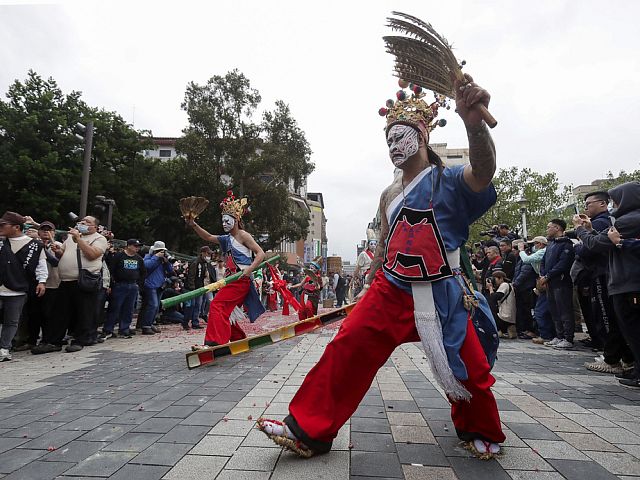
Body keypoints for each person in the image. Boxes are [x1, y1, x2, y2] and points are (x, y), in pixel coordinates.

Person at [258, 74, 505, 457]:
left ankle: (480, 428)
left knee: (468, 367)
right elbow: (385, 244)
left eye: (401, 136)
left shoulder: (449, 180)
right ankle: (307, 430)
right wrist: (369, 281)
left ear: (422, 136)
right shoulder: (389, 193)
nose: (394, 145)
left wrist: (473, 126)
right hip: (391, 288)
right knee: (347, 346)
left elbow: (484, 174)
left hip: (443, 289)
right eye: (388, 139)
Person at [574, 181, 640, 388]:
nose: (614, 204)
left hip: (628, 282)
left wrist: (579, 231)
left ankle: (623, 363)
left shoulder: (628, 221)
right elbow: (602, 243)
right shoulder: (625, 220)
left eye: (616, 200)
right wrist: (590, 230)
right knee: (629, 328)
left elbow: (593, 246)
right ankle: (635, 367)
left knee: (632, 328)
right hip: (624, 281)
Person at [186, 191, 265, 346]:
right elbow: (208, 237)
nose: (223, 224)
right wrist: (193, 224)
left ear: (235, 220)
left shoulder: (244, 235)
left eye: (226, 220)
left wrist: (250, 269)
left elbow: (260, 253)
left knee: (217, 305)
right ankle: (238, 339)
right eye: (222, 221)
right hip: (230, 280)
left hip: (241, 279)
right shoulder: (226, 239)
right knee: (226, 309)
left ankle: (214, 342)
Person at [50, 215, 107, 352]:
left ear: (95, 227)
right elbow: (63, 254)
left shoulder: (99, 238)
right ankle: (53, 341)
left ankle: (82, 339)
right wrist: (57, 251)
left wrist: (79, 239)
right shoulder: (70, 238)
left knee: (84, 312)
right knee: (60, 313)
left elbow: (92, 255)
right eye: (81, 221)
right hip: (65, 280)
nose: (83, 223)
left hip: (84, 281)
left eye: (87, 222)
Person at [0, 212, 47, 361]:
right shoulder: (1, 242)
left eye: (3, 225)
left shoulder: (35, 245)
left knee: (12, 321)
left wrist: (42, 281)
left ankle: (4, 348)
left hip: (17, 289)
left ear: (16, 227)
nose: (0, 227)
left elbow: (41, 265)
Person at [539, 219, 576, 349]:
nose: (547, 229)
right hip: (550, 283)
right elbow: (543, 262)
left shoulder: (566, 245)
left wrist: (548, 275)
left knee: (564, 310)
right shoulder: (551, 245)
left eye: (549, 227)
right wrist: (543, 275)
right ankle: (559, 335)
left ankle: (568, 338)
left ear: (557, 228)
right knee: (554, 311)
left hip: (561, 282)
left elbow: (563, 264)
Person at [102, 239, 145, 339]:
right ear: (128, 246)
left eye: (138, 246)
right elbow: (112, 269)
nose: (137, 248)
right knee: (114, 308)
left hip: (133, 285)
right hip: (120, 285)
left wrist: (139, 284)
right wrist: (112, 284)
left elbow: (143, 272)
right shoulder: (119, 256)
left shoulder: (139, 259)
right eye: (135, 246)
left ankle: (124, 329)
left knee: (129, 309)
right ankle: (108, 329)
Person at [141, 241, 174, 335]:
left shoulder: (163, 260)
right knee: (153, 305)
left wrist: (167, 262)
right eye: (160, 251)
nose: (162, 252)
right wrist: (156, 257)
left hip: (160, 285)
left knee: (157, 306)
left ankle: (151, 323)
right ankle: (146, 326)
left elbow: (170, 271)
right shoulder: (149, 257)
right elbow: (146, 266)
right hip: (150, 285)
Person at [184, 246, 215, 330]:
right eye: (208, 253)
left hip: (200, 287)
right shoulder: (195, 262)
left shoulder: (205, 263)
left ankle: (195, 322)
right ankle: (185, 322)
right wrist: (192, 288)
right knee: (191, 305)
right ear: (203, 253)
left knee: (198, 305)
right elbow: (191, 276)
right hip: (193, 288)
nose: (209, 255)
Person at [486, 270, 516, 339]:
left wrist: (490, 288)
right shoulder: (509, 285)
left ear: (501, 278)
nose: (494, 281)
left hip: (504, 317)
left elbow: (495, 298)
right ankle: (509, 328)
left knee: (490, 307)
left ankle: (498, 330)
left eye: (495, 279)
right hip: (510, 318)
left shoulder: (504, 285)